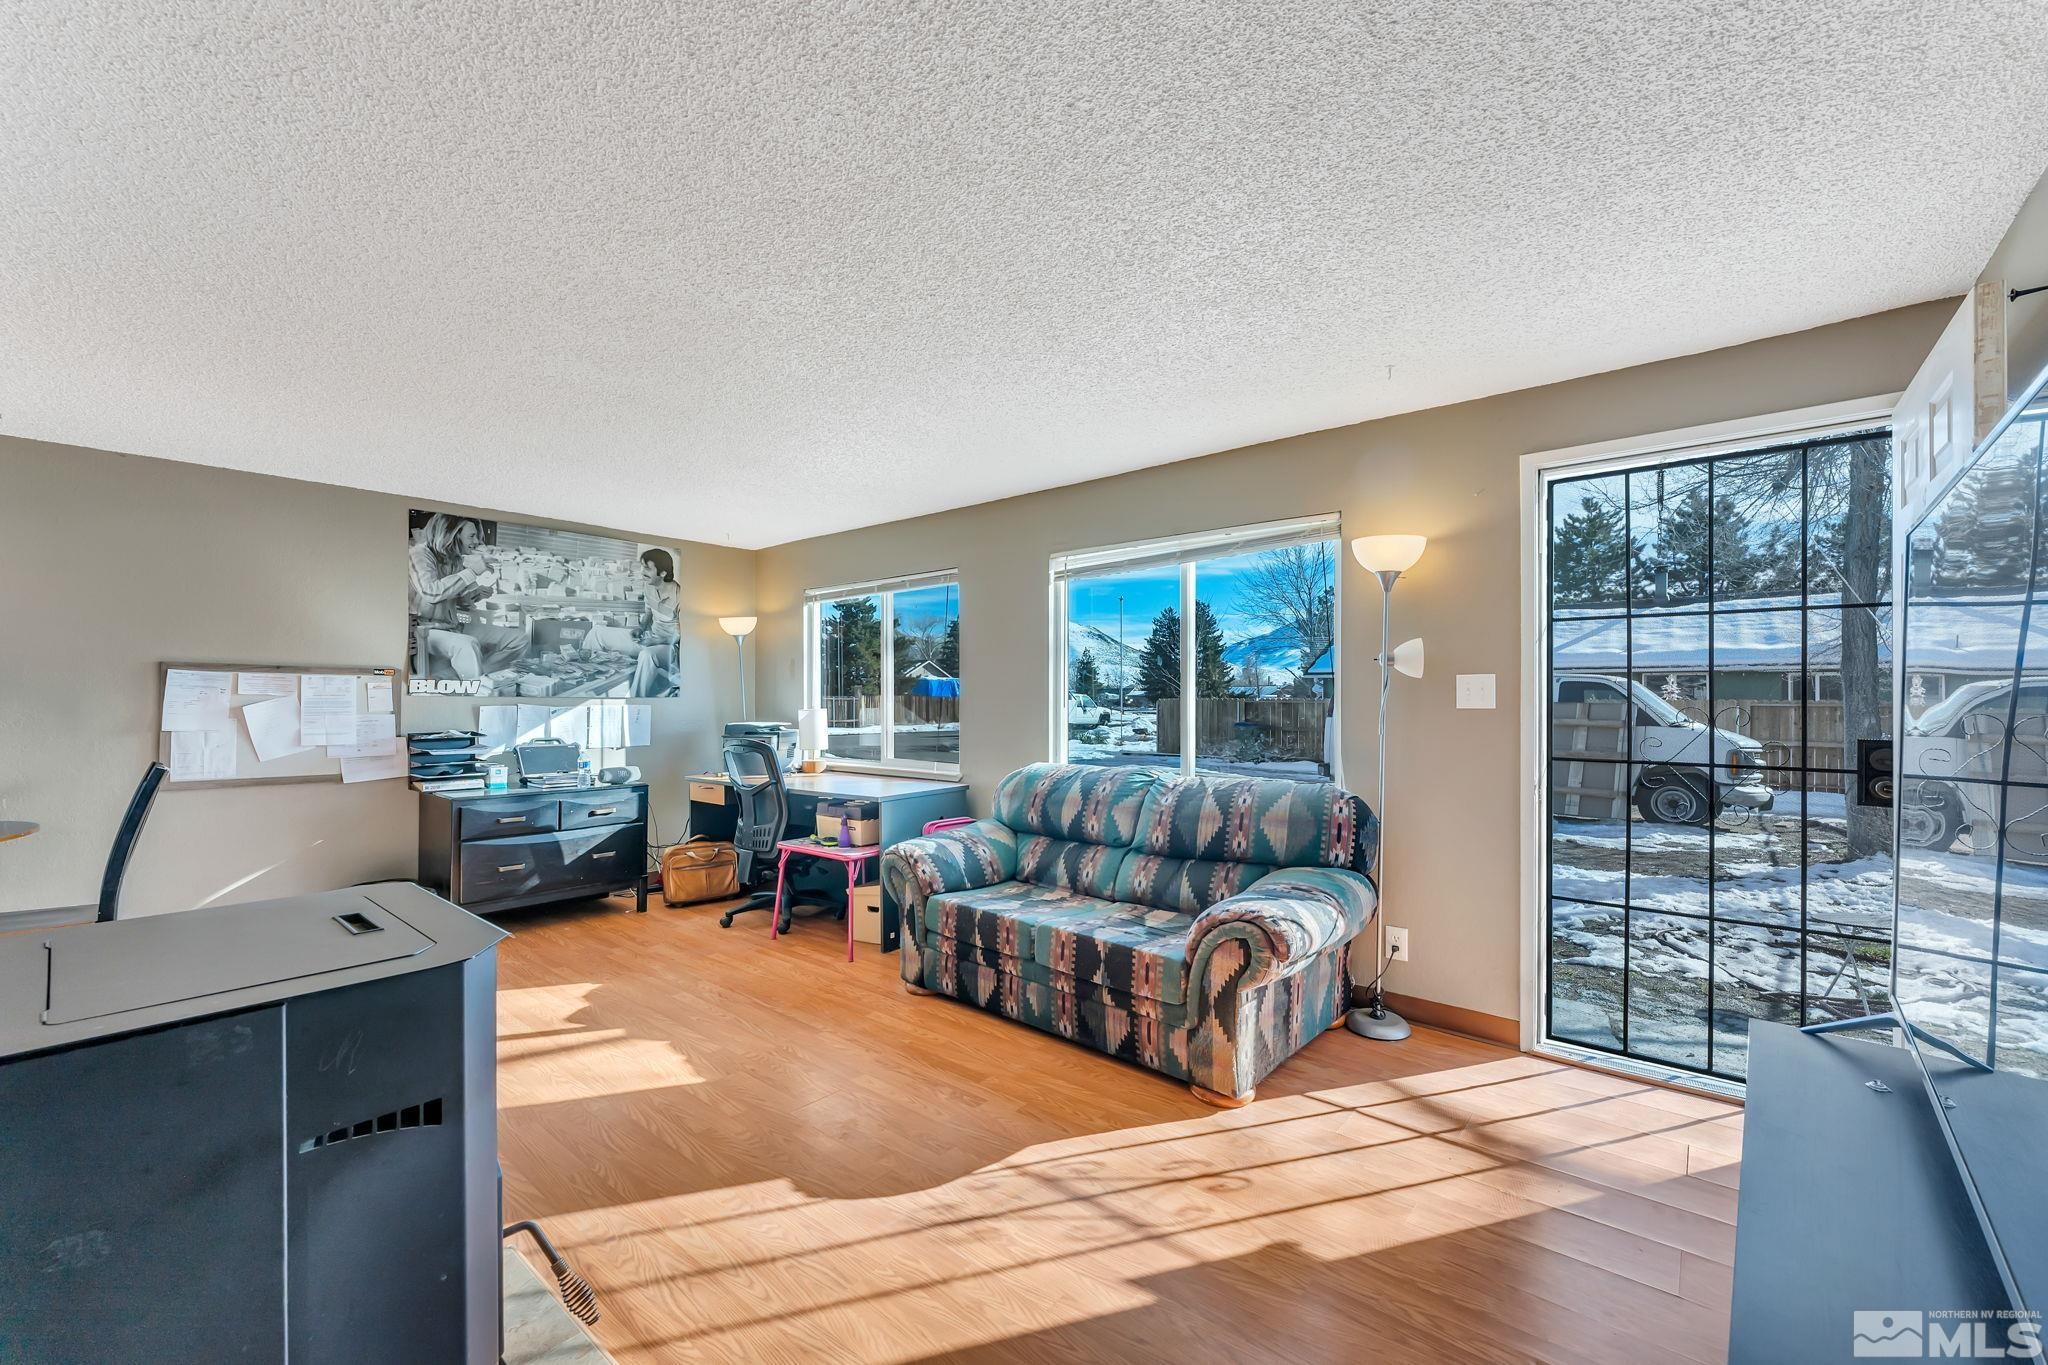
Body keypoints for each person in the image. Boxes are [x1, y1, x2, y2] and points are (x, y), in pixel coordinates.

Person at [408, 515, 530, 680]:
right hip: (425, 630)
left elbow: (454, 598)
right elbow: (431, 592)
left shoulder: (455, 559)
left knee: (519, 639)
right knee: (467, 644)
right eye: (472, 536)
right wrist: (472, 571)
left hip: (452, 626)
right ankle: (474, 688)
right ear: (451, 534)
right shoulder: (419, 554)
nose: (477, 541)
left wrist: (472, 595)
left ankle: (475, 677)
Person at [631, 548, 681, 697]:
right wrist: (640, 628)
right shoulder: (649, 586)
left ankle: (635, 701)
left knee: (647, 655)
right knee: (598, 633)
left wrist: (655, 641)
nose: (642, 572)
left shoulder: (680, 596)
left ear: (663, 573)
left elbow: (681, 636)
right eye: (642, 567)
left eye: (647, 568)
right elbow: (648, 613)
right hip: (651, 637)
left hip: (670, 646)